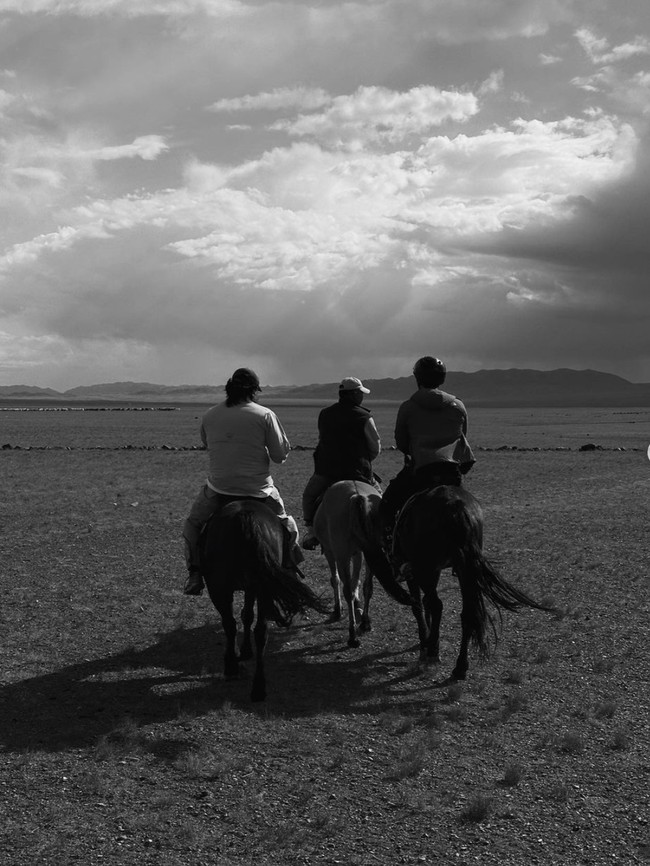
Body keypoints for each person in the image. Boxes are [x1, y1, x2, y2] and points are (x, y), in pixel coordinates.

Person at [182, 367, 303, 596]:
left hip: (219, 489)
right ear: (254, 391)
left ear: (230, 388)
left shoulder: (210, 414)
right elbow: (280, 456)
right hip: (259, 490)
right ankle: (289, 569)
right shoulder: (265, 415)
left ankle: (195, 573)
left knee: (193, 524)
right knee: (287, 525)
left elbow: (207, 443)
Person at [379, 356, 475, 541]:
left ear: (417, 378)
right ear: (442, 379)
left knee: (388, 504)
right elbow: (463, 436)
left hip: (421, 472)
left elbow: (401, 442)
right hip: (452, 473)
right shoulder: (459, 405)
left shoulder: (408, 407)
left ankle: (390, 543)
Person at [301, 376, 381, 550]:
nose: (362, 397)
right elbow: (375, 447)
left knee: (308, 496)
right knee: (380, 499)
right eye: (360, 393)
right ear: (353, 394)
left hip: (327, 471)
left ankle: (311, 531)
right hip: (358, 471)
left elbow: (324, 439)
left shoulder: (325, 414)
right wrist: (365, 461)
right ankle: (385, 535)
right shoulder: (365, 416)